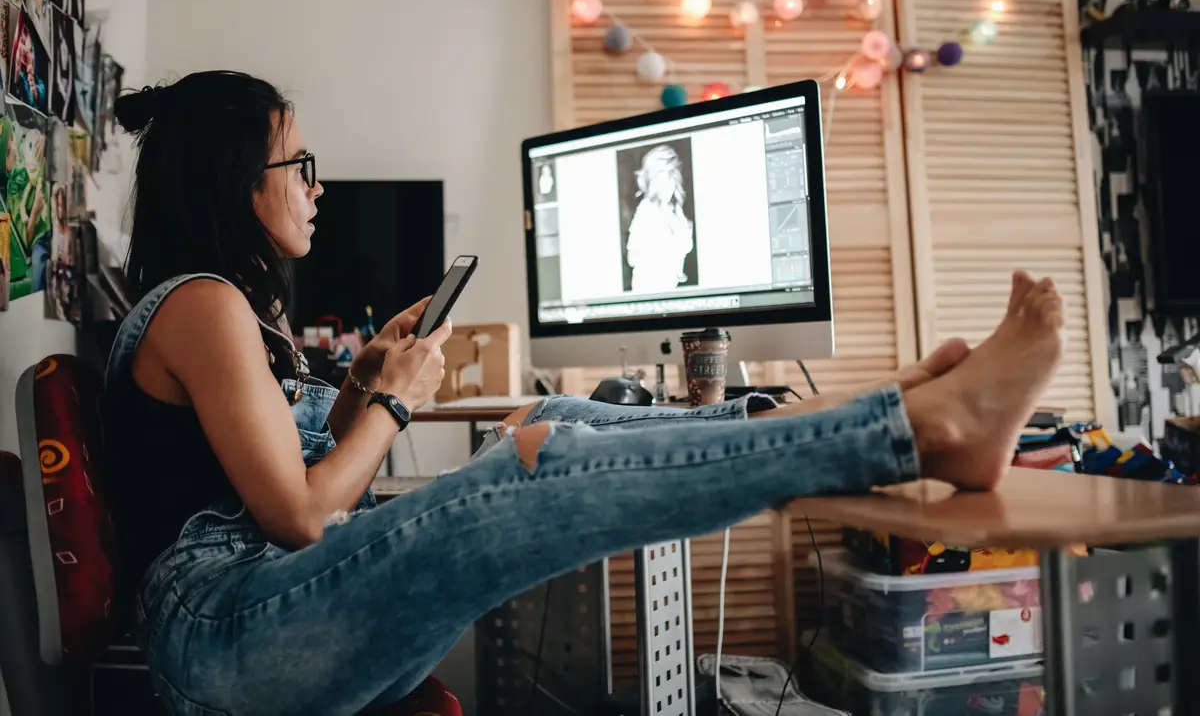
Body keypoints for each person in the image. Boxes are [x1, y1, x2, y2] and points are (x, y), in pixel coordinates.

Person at [101, 71, 1065, 716]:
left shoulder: (230, 309)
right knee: (523, 466)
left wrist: (359, 385)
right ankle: (913, 425)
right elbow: (305, 517)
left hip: (255, 616)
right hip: (224, 638)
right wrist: (393, 404)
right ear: (238, 181)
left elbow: (294, 482)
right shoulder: (203, 305)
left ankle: (883, 414)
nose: (317, 185)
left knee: (547, 419)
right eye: (297, 163)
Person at [626, 144, 694, 292]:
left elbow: (685, 247)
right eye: (663, 178)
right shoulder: (646, 211)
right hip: (649, 293)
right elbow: (633, 258)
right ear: (652, 180)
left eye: (672, 177)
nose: (668, 184)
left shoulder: (674, 209)